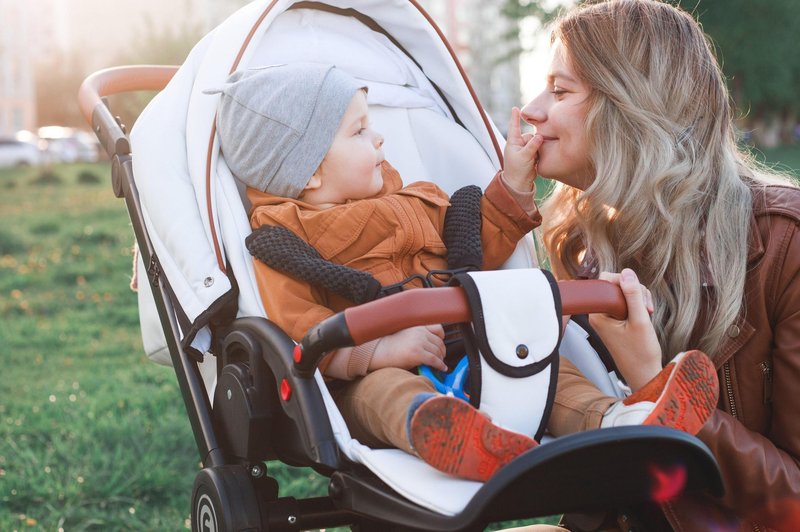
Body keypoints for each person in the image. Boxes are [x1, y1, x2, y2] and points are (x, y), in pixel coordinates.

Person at [209, 62, 718, 483]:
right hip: (380, 367)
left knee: (547, 369)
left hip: (474, 342)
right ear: (309, 170)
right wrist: (377, 351)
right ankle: (449, 433)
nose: (380, 137)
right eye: (360, 131)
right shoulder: (284, 241)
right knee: (383, 396)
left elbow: (476, 248)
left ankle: (619, 418)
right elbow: (300, 328)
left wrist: (514, 181)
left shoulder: (415, 198)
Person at [519, 0, 800, 528]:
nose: (532, 110)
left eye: (559, 92)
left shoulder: (786, 249)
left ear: (629, 106)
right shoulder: (581, 243)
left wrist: (657, 385)